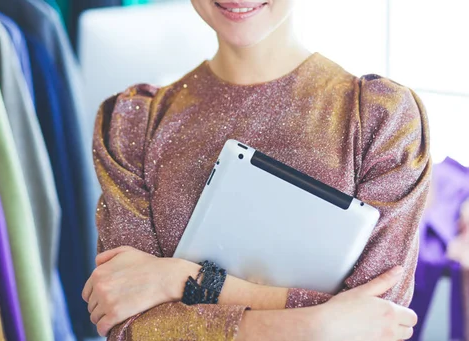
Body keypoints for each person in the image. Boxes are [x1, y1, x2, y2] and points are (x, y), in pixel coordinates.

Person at [82, 0, 431, 340]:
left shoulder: (381, 119)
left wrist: (176, 279)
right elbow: (128, 324)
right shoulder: (134, 125)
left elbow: (379, 320)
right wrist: (312, 327)